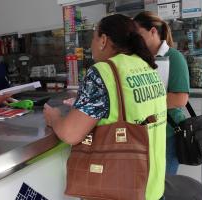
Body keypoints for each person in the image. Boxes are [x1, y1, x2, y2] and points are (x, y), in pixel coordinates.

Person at [44, 14, 167, 200]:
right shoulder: (148, 67)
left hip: (120, 189)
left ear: (103, 40)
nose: (91, 45)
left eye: (93, 38)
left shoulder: (103, 71)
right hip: (153, 186)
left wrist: (54, 118)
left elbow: (70, 134)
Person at [134, 11, 190, 175]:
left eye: (138, 35)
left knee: (163, 184)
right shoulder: (139, 58)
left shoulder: (174, 57)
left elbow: (180, 99)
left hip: (168, 134)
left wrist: (144, 103)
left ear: (153, 31)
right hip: (144, 134)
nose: (135, 41)